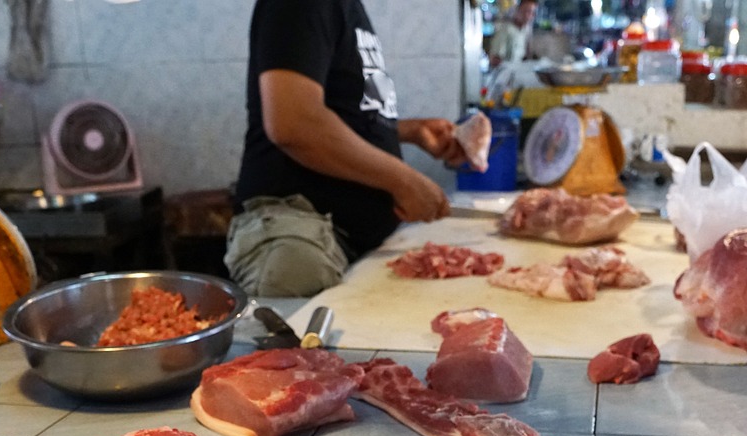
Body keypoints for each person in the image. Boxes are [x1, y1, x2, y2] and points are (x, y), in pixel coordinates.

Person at [224, 0, 466, 298]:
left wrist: (405, 131)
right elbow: (293, 122)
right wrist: (404, 180)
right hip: (299, 242)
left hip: (347, 243)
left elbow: (343, 113)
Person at [489, 0, 539, 68]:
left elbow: (524, 57)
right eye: (527, 11)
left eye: (532, 13)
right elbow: (494, 60)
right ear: (517, 10)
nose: (529, 16)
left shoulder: (525, 31)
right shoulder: (506, 30)